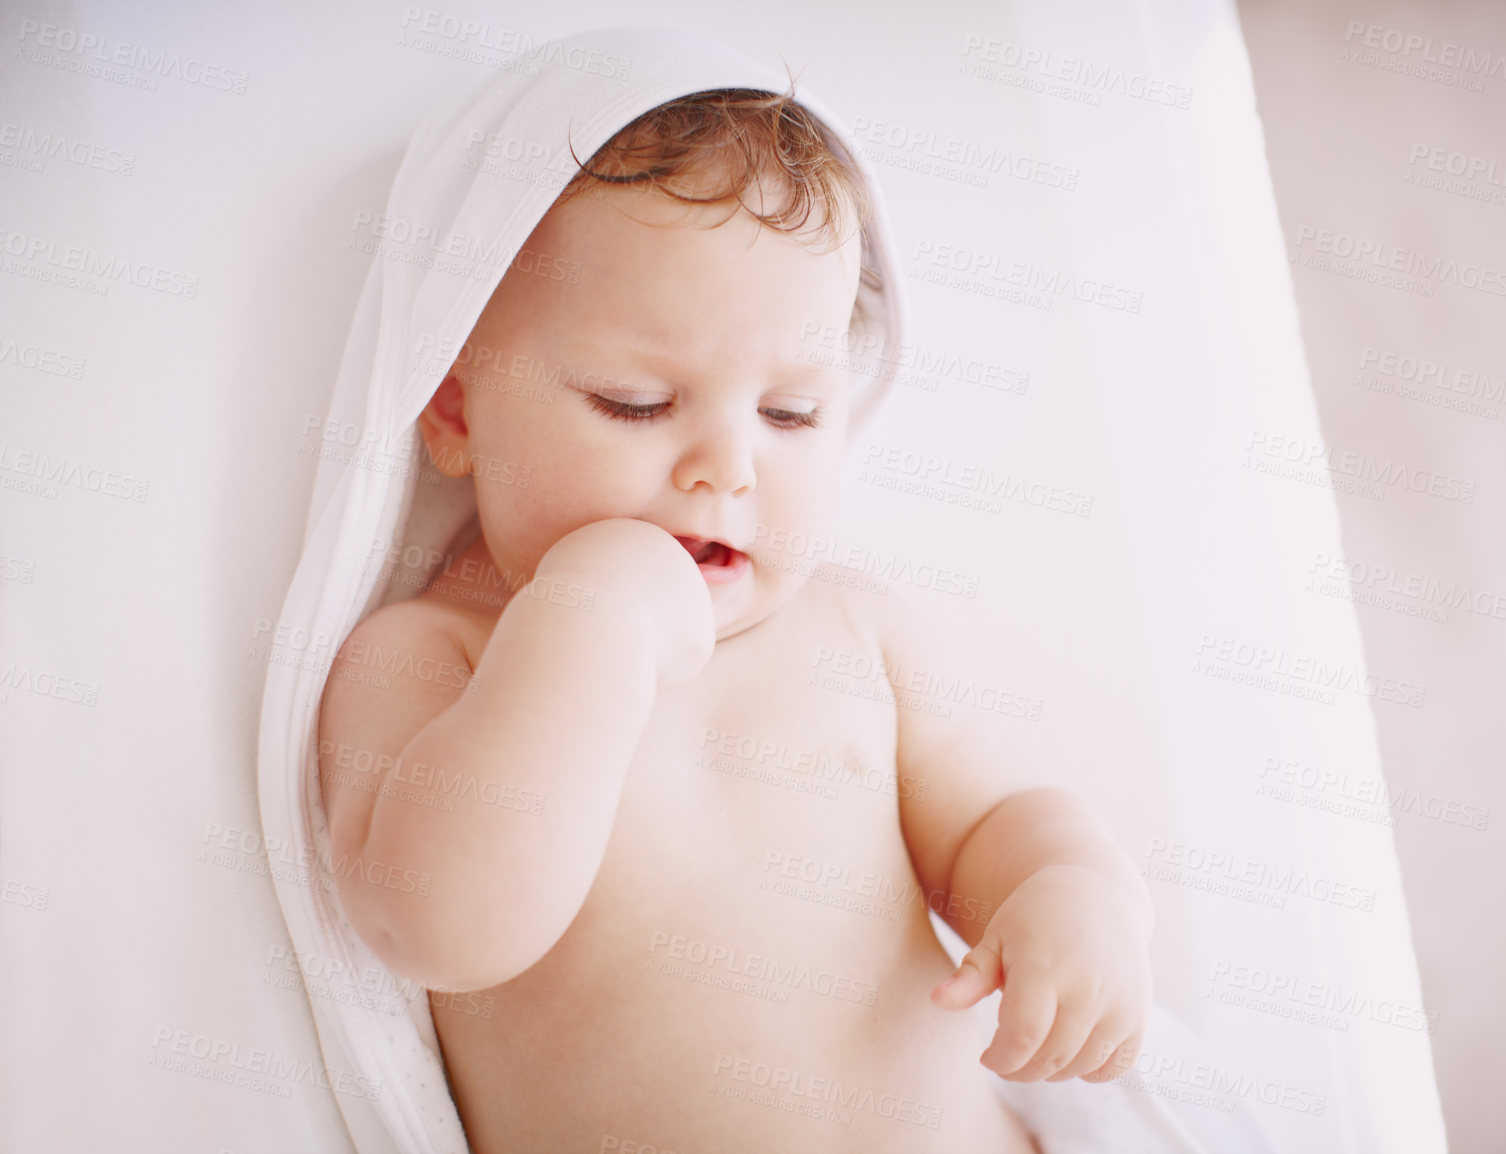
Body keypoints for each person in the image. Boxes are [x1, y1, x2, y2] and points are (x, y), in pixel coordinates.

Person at [317, 86, 1153, 1153]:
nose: (727, 466)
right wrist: (590, 623)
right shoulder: (430, 657)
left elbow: (995, 815)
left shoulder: (859, 633)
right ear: (457, 411)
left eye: (790, 412)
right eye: (634, 400)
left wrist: (1070, 891)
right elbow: (433, 926)